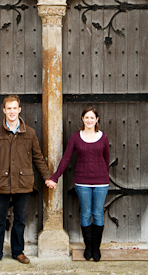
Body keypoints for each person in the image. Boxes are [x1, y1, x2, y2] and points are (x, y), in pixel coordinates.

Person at [0, 94, 51, 266]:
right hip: (2, 184)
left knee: (20, 220)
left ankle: (18, 252)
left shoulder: (30, 133)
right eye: (9, 108)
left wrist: (47, 177)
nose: (12, 111)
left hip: (23, 183)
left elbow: (38, 157)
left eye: (15, 108)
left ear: (19, 110)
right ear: (4, 110)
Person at [45, 106, 109, 262]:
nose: (89, 120)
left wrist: (103, 174)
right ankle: (88, 247)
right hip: (82, 182)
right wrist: (55, 176)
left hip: (101, 182)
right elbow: (66, 159)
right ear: (82, 119)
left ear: (97, 120)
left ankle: (96, 248)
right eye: (86, 117)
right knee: (86, 213)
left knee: (98, 214)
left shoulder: (103, 137)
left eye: (92, 117)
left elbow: (106, 159)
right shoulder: (76, 137)